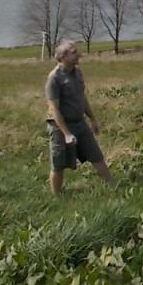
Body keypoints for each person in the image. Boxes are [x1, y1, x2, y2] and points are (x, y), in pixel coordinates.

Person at [45, 40, 113, 194]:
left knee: (96, 156)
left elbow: (82, 98)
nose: (78, 54)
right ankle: (57, 196)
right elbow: (54, 109)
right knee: (58, 163)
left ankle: (113, 187)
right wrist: (67, 134)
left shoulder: (77, 72)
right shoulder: (54, 79)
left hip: (79, 122)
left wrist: (92, 119)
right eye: (73, 52)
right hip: (59, 126)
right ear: (62, 57)